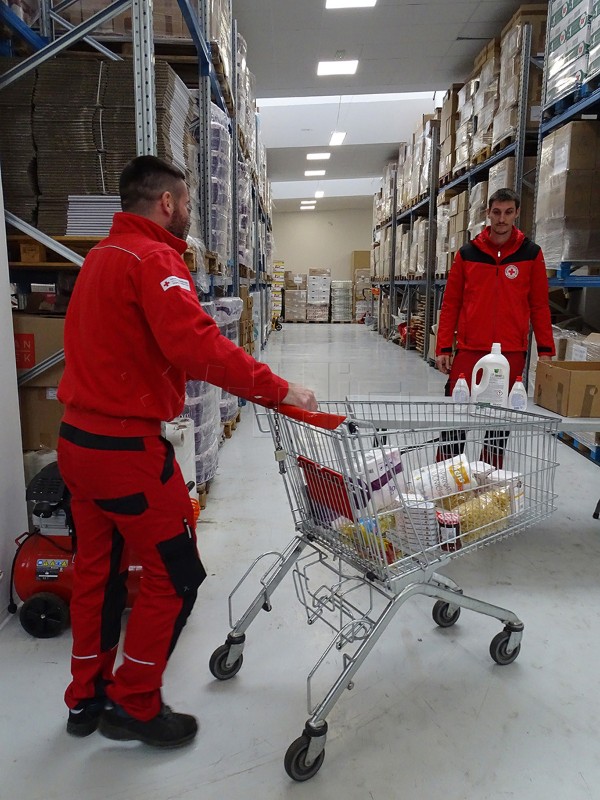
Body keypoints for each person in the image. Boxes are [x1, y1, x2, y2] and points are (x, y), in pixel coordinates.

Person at [57, 155, 317, 749]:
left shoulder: (98, 257)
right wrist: (278, 389)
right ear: (167, 203)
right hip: (127, 453)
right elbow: (198, 346)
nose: (190, 215)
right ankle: (135, 703)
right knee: (177, 575)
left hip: (77, 445)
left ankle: (85, 698)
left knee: (98, 574)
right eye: (187, 203)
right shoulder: (156, 260)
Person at [435, 187, 555, 463]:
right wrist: (444, 346)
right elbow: (451, 303)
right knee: (456, 417)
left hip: (511, 351)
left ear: (517, 214)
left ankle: (489, 485)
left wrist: (546, 350)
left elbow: (539, 305)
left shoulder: (531, 254)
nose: (502, 219)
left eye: (508, 212)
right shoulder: (467, 254)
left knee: (498, 425)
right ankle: (446, 478)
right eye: (497, 212)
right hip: (469, 350)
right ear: (488, 213)